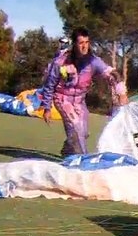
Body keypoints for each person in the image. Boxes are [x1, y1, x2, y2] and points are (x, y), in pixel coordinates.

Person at [38, 27, 124, 156]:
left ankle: (68, 149)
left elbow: (112, 74)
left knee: (83, 133)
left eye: (87, 42)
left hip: (79, 101)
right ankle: (83, 159)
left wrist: (121, 92)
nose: (84, 46)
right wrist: (47, 107)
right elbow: (49, 84)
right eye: (81, 43)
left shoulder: (93, 61)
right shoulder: (60, 62)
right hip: (63, 99)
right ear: (74, 44)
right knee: (76, 129)